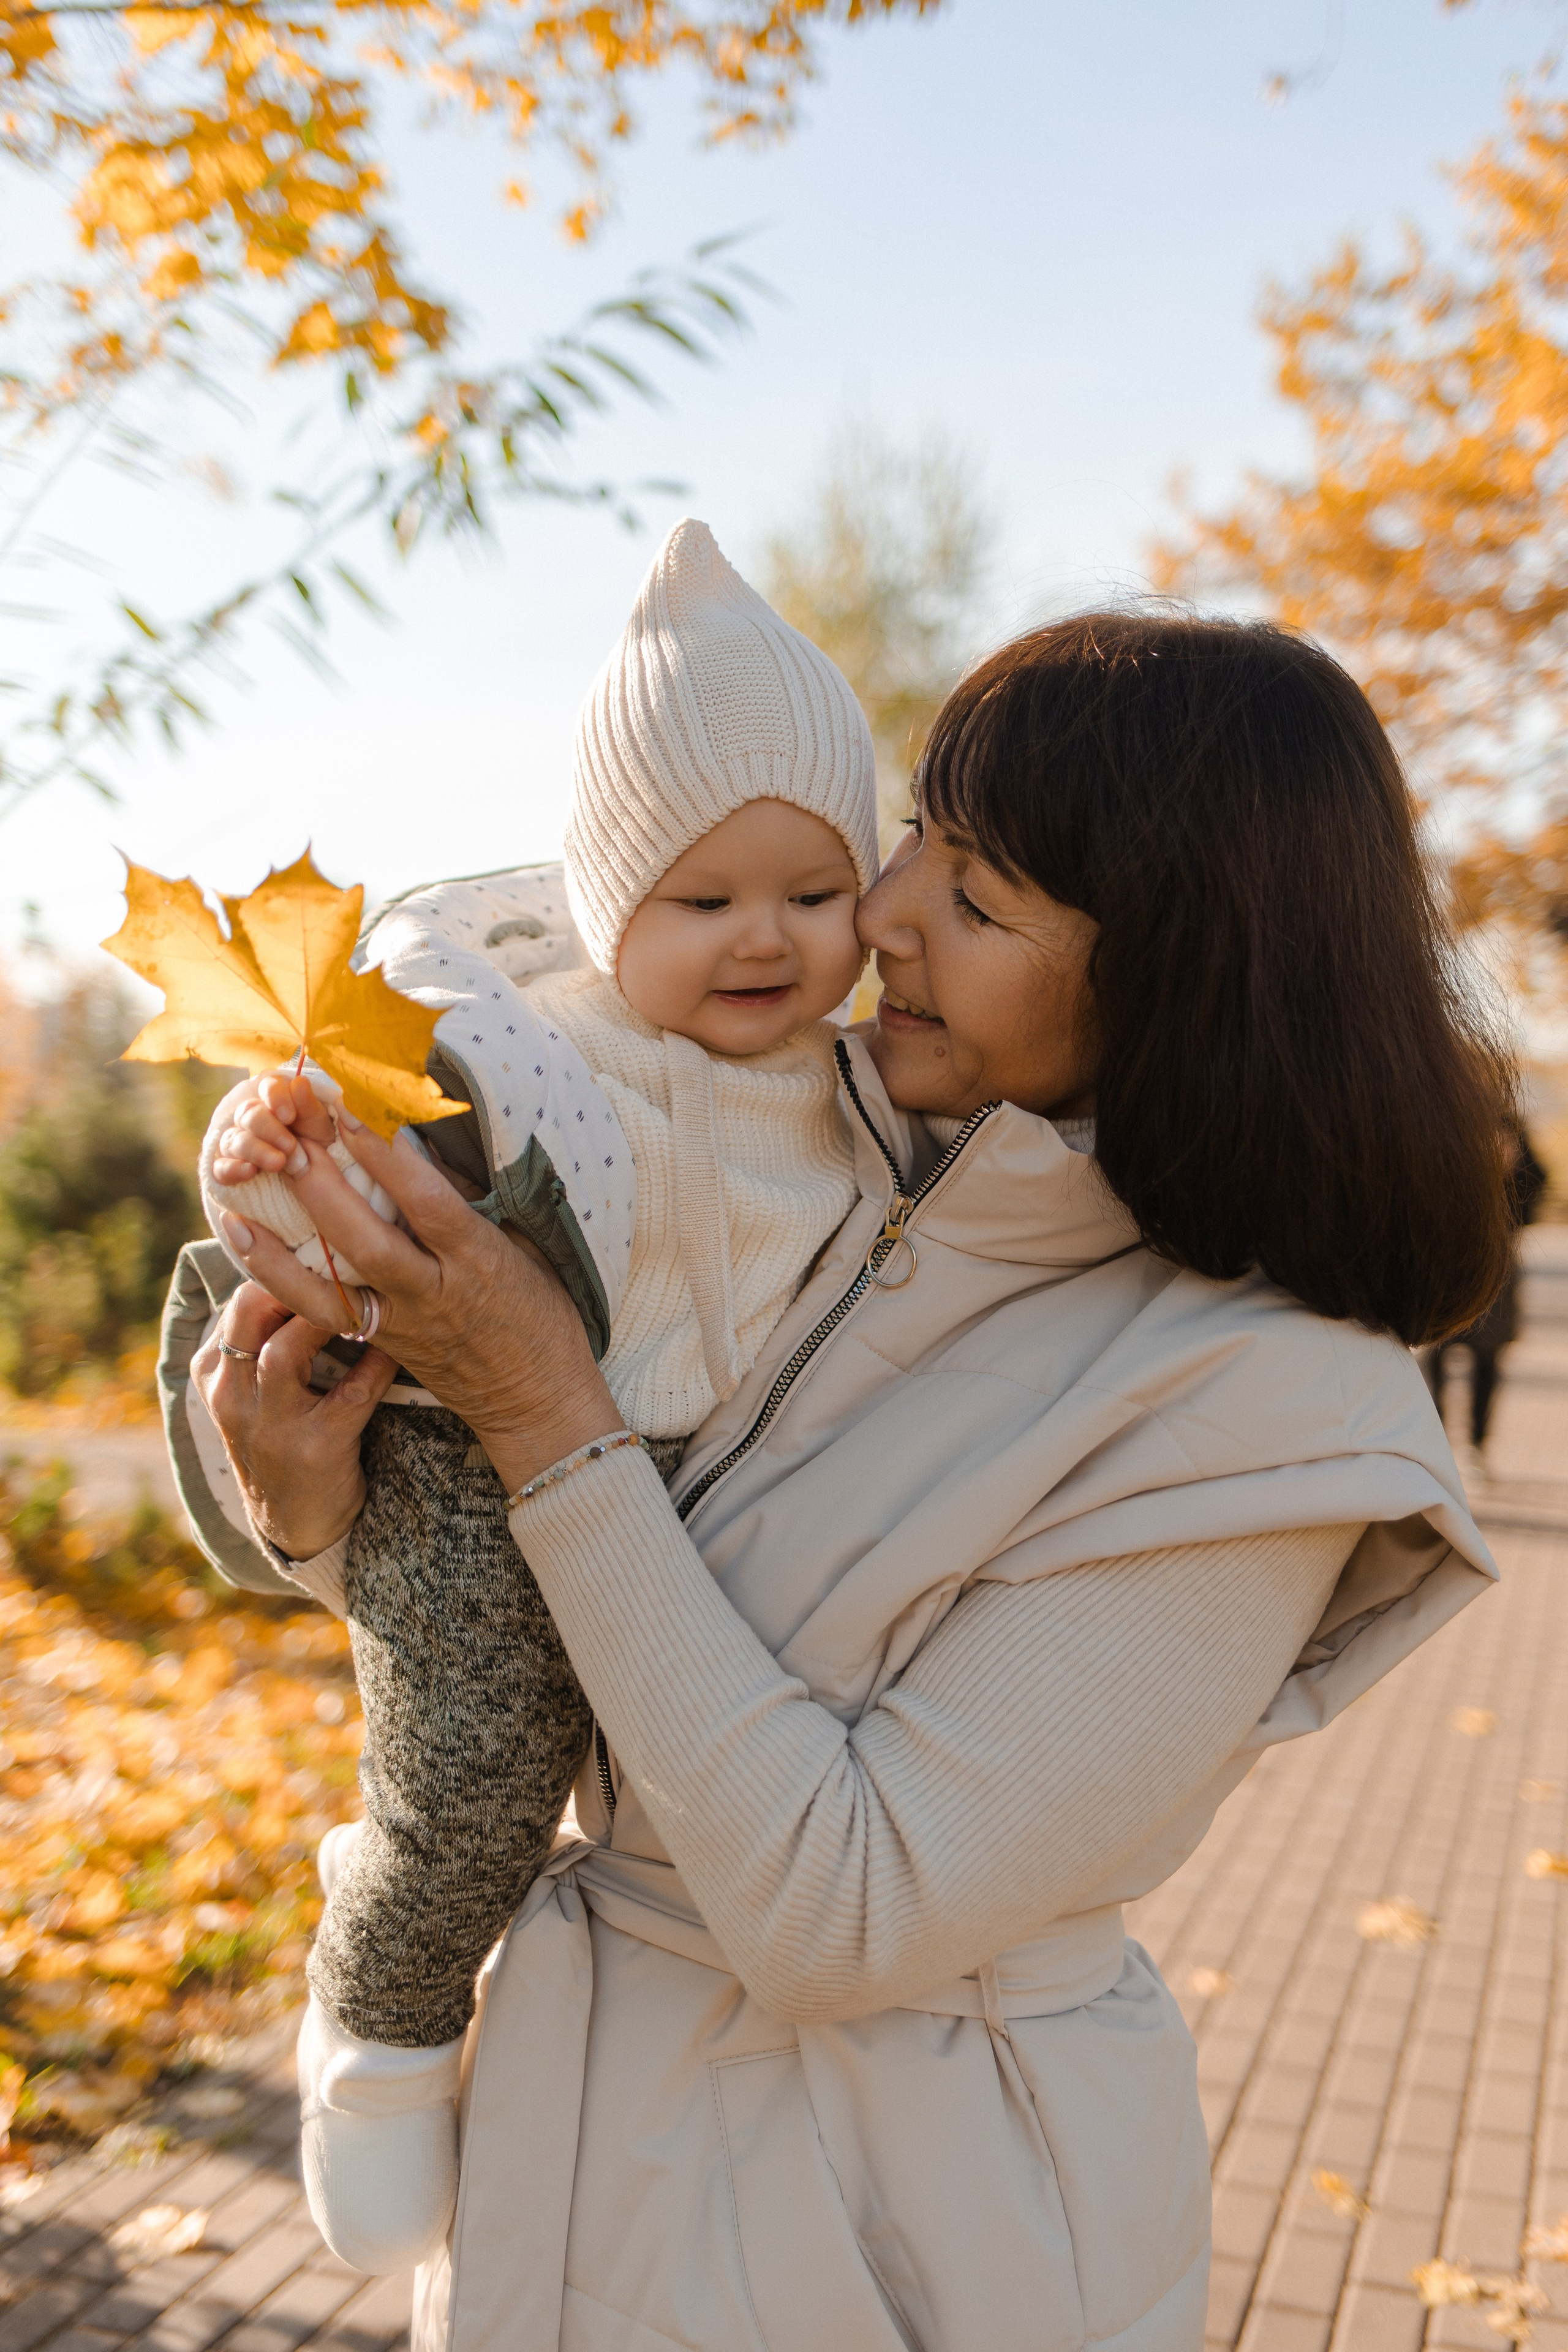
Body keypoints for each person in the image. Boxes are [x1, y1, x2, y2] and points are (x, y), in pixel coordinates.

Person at [195, 613, 1510, 2352]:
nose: (878, 911)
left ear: (1180, 972)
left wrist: (538, 1400)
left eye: (974, 896)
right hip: (588, 2155)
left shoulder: (1266, 1411)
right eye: (915, 837)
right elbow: (601, 1602)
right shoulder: (868, 1197)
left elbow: (849, 1904)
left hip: (888, 2233)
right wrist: (318, 1508)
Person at [180, 518, 882, 2238]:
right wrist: (275, 1144)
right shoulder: (520, 1054)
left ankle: (413, 1880)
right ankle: (384, 2031)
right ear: (604, 899)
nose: (763, 941)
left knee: (605, 1766)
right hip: (461, 1475)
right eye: (701, 898)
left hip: (665, 1498)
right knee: (482, 1764)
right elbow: (327, 1210)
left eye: (813, 893)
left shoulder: (861, 1093)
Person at [1423, 1114, 1548, 1476]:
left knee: (1489, 1359)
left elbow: (1533, 1197)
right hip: (1447, 1271)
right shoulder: (1451, 1135)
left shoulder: (1510, 1126)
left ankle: (1477, 1445)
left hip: (1498, 1275)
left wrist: (1513, 1165)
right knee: (1434, 1357)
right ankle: (1437, 1442)